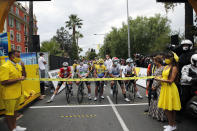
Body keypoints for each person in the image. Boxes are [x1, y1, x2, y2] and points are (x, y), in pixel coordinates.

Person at [0, 50, 27, 131]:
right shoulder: (5, 66)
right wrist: (18, 79)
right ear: (12, 57)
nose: (19, 58)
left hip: (18, 93)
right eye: (18, 56)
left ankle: (15, 127)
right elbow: (3, 82)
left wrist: (23, 67)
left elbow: (24, 76)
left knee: (15, 112)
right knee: (9, 114)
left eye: (19, 56)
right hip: (9, 94)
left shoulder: (17, 66)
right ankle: (12, 129)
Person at [155, 51, 181, 131]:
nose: (165, 59)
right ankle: (171, 124)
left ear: (171, 59)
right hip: (165, 88)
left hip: (170, 89)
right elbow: (164, 76)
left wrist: (160, 79)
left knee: (170, 108)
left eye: (166, 58)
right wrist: (160, 77)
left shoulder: (174, 68)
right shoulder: (166, 66)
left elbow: (171, 80)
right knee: (166, 107)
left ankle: (172, 125)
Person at [148, 55, 166, 122]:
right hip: (154, 86)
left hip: (160, 87)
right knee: (154, 100)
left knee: (159, 101)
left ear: (158, 62)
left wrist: (154, 86)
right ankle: (155, 114)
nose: (154, 62)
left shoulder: (163, 68)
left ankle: (160, 116)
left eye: (154, 61)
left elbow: (160, 78)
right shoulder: (157, 68)